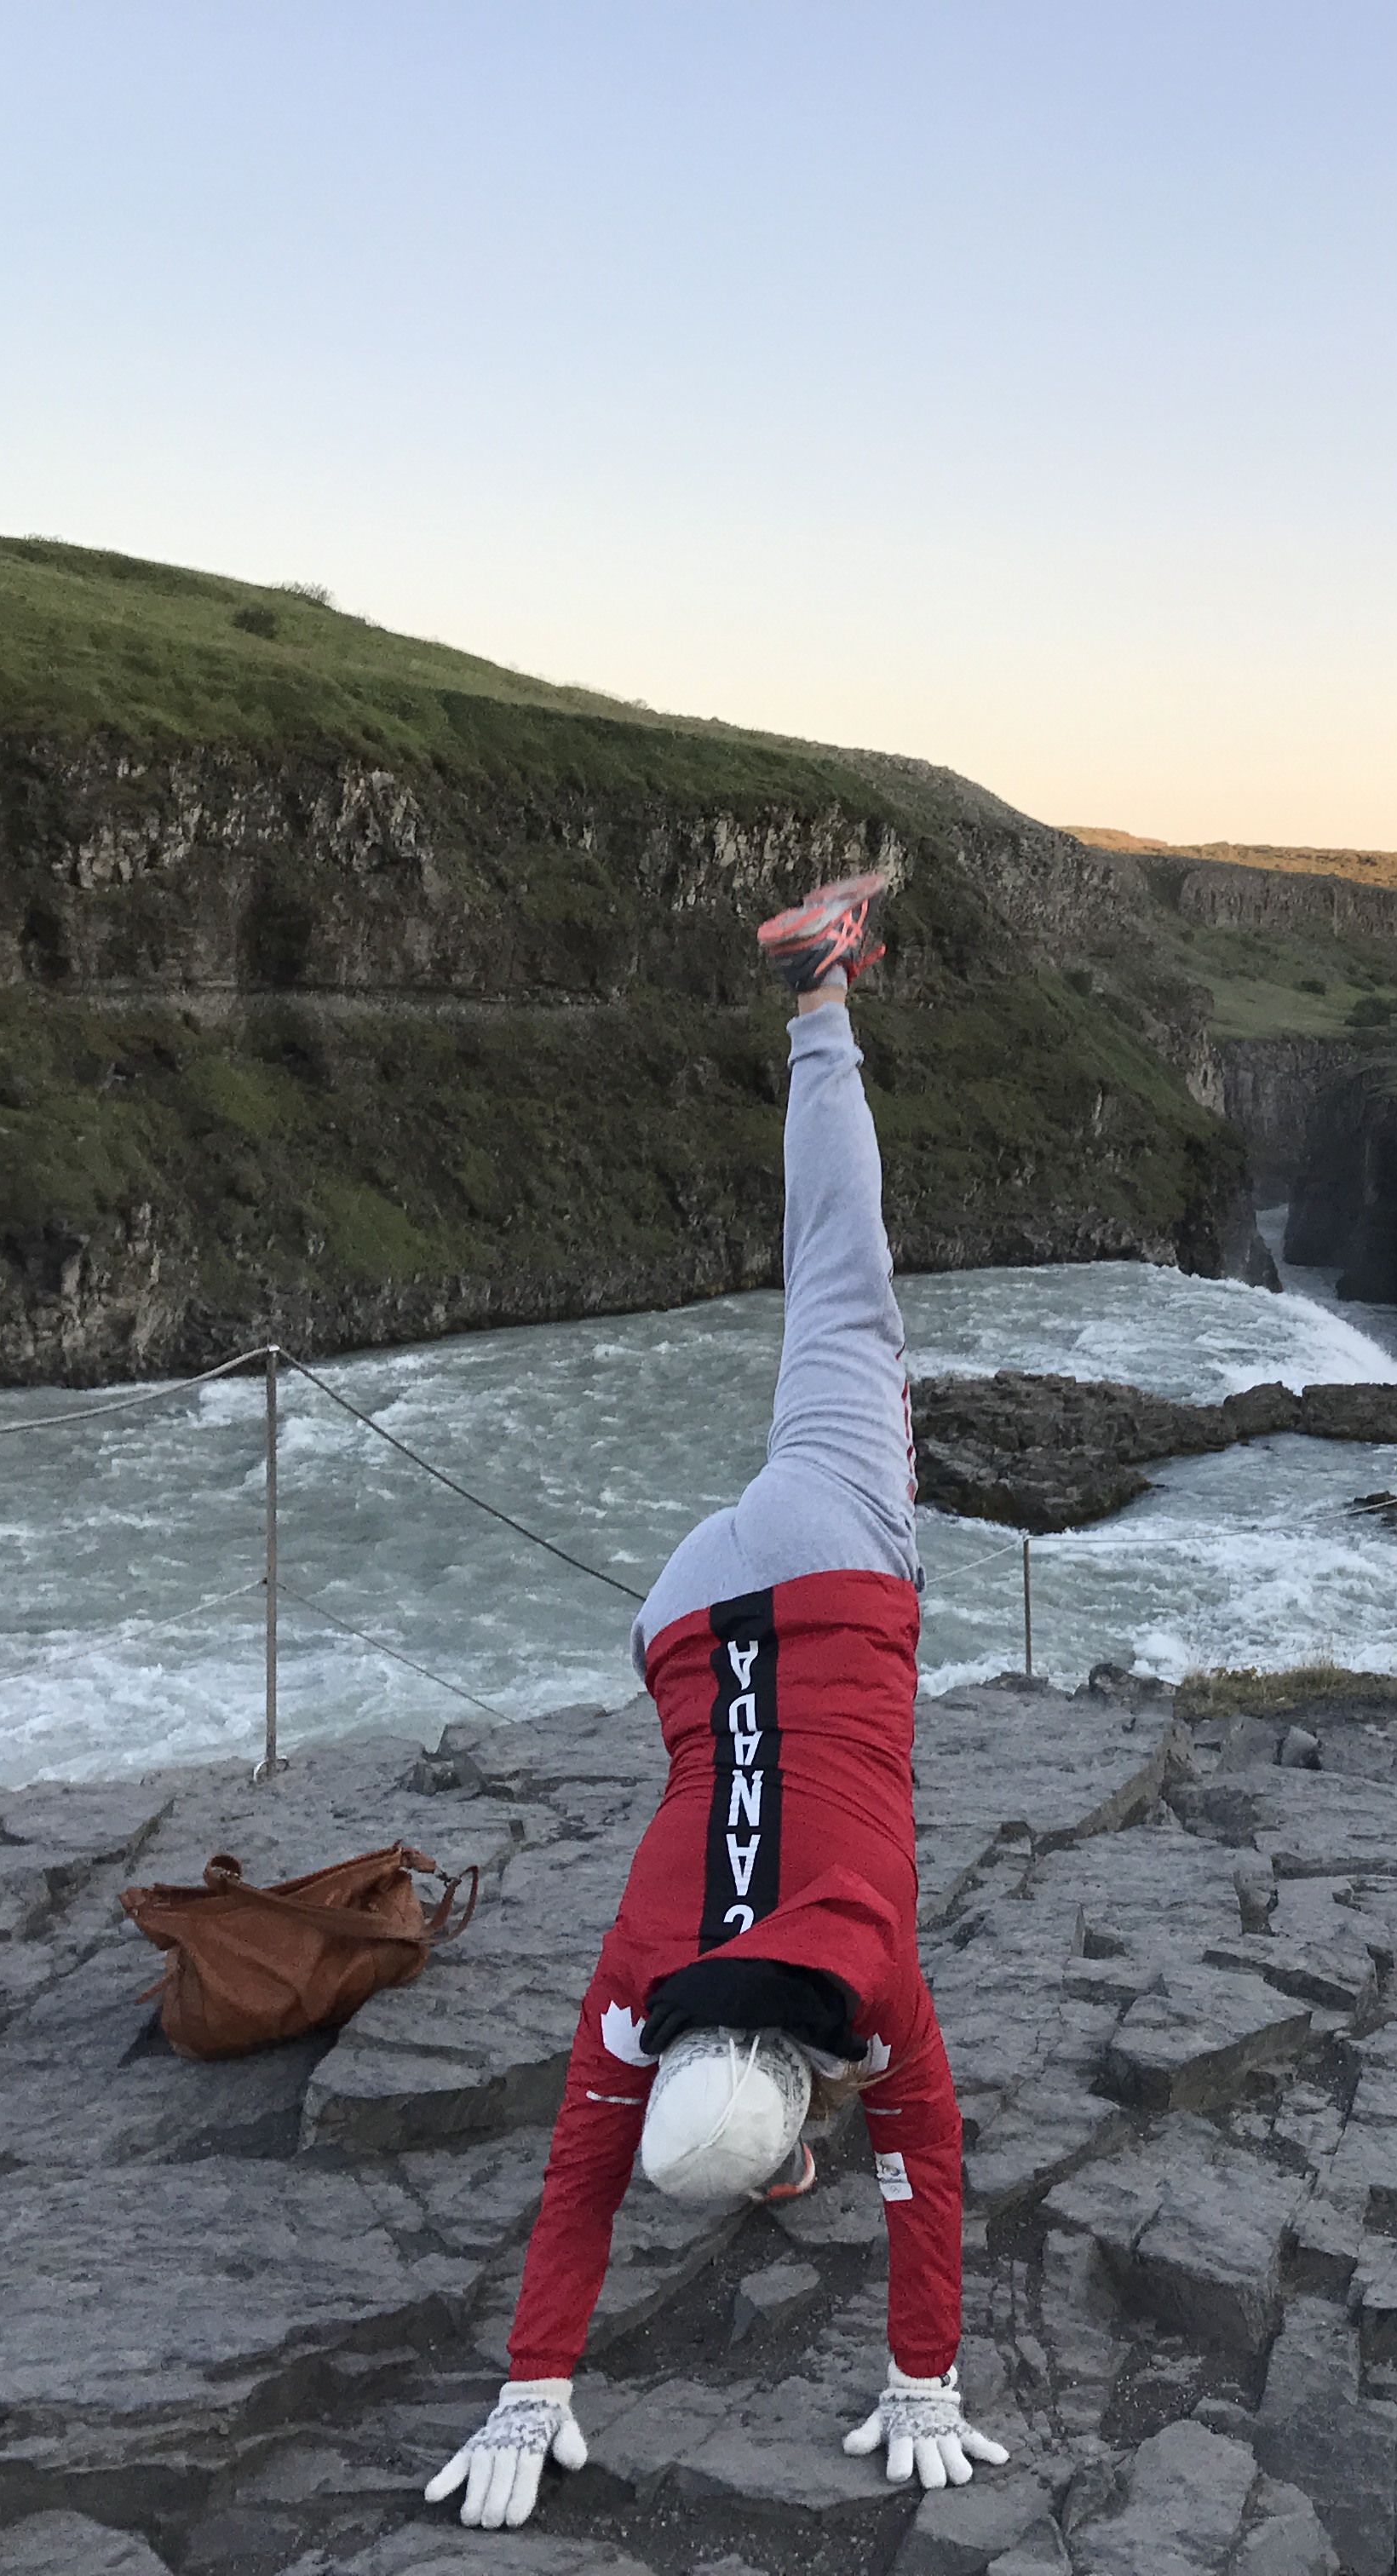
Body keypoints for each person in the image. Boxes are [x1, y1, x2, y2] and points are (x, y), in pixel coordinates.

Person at [424, 875, 1013, 2533]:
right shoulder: (636, 1976)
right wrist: (530, 2376)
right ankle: (818, 1002)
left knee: (845, 1287)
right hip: (677, 1623)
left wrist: (923, 2376)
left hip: (828, 1565)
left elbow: (923, 2163)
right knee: (831, 1280)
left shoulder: (869, 1981)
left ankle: (822, 984)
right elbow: (585, 2172)